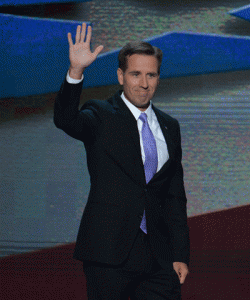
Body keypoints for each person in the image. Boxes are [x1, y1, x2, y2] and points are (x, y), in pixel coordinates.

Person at [54, 23, 190, 300]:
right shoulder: (101, 114)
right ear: (120, 76)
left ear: (158, 78)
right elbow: (66, 120)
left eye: (151, 75)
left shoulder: (169, 126)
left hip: (159, 257)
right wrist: (76, 72)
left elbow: (175, 196)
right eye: (136, 74)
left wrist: (180, 254)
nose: (143, 83)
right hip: (108, 253)